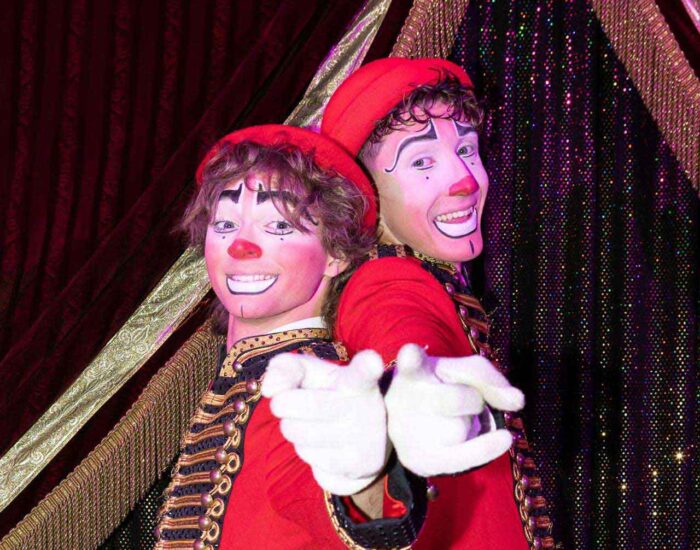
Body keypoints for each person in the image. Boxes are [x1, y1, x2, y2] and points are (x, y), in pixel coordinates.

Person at [267, 58, 556, 548]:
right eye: (422, 163)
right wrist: (406, 393)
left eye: (466, 150)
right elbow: (402, 334)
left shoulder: (436, 281)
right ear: (364, 196)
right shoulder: (389, 279)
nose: (465, 180)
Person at [153, 125, 422, 549]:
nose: (240, 245)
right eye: (225, 224)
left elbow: (355, 509)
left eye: (278, 225)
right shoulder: (240, 380)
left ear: (336, 253)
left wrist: (363, 477)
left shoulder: (317, 389)